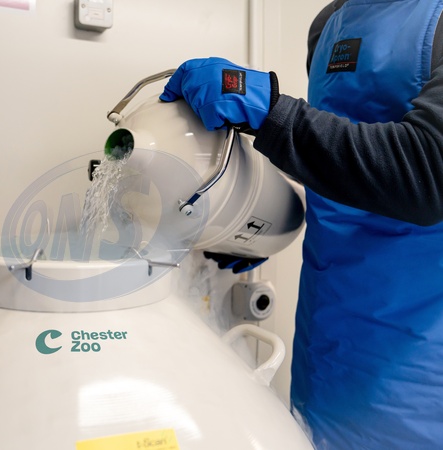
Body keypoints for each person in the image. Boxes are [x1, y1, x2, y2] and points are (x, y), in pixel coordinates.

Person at [159, 0, 443, 448]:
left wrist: (271, 111)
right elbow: (339, 165)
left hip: (416, 370)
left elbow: (429, 174)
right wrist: (259, 221)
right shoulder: (331, 21)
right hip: (323, 347)